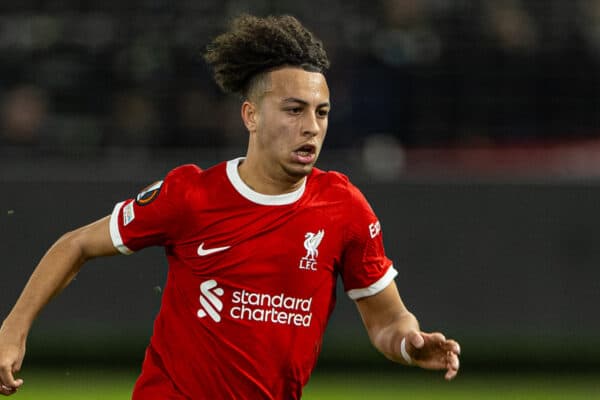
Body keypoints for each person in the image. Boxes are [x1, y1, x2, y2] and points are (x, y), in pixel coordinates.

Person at [0, 14, 460, 399]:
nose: (311, 128)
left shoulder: (344, 208)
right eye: (294, 110)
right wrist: (13, 329)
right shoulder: (190, 195)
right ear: (251, 115)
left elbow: (387, 320)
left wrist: (408, 344)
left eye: (321, 112)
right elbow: (76, 244)